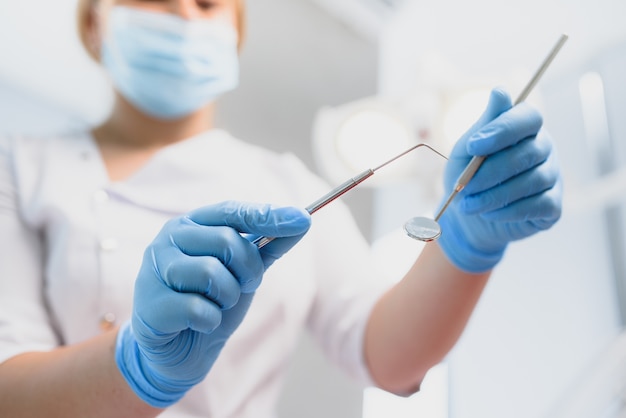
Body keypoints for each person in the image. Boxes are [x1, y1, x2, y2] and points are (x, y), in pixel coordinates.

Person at [0, 0, 562, 417]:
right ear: (93, 22)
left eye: (206, 4)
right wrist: (137, 367)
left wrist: (469, 244)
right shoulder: (23, 169)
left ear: (235, 35)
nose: (184, 18)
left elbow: (389, 356)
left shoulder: (285, 183)